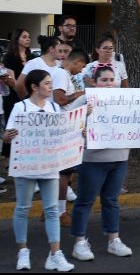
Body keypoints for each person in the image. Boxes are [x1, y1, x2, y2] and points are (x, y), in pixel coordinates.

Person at [71, 66, 140, 261]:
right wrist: (83, 115)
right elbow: (67, 122)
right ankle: (79, 242)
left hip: (119, 159)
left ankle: (113, 240)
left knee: (111, 200)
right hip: (92, 160)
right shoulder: (85, 99)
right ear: (95, 82)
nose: (109, 83)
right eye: (104, 80)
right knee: (85, 200)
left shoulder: (127, 99)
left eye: (112, 80)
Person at [3, 70, 76, 271]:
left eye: (51, 83)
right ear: (34, 87)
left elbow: (64, 133)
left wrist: (78, 131)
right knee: (22, 208)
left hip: (49, 167)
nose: (51, 87)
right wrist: (8, 136)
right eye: (46, 83)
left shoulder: (55, 108)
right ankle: (23, 251)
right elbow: (7, 136)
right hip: (26, 166)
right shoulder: (20, 107)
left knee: (52, 210)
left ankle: (55, 253)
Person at [51, 49, 89, 227]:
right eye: (81, 66)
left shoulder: (63, 74)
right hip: (63, 129)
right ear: (76, 61)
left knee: (65, 172)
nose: (81, 71)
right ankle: (60, 212)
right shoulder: (60, 73)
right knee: (63, 173)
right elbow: (59, 99)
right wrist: (81, 94)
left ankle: (52, 209)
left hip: (67, 128)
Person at [2, 29, 32, 171]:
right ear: (17, 39)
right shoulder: (10, 56)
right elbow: (11, 79)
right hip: (14, 95)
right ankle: (9, 159)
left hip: (29, 95)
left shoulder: (30, 56)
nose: (27, 39)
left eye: (29, 37)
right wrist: (21, 94)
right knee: (12, 125)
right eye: (24, 37)